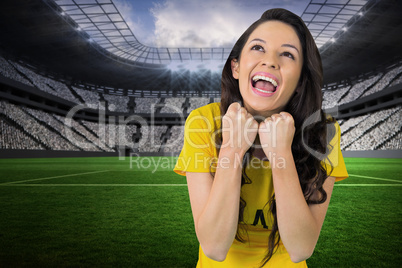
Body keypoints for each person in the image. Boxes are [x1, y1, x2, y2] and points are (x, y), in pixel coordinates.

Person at [174, 8, 348, 268]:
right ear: (236, 67)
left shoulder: (323, 131)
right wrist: (232, 149)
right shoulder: (203, 122)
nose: (270, 61)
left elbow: (301, 248)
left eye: (287, 54)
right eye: (258, 48)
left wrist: (281, 155)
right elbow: (214, 246)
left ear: (300, 81)